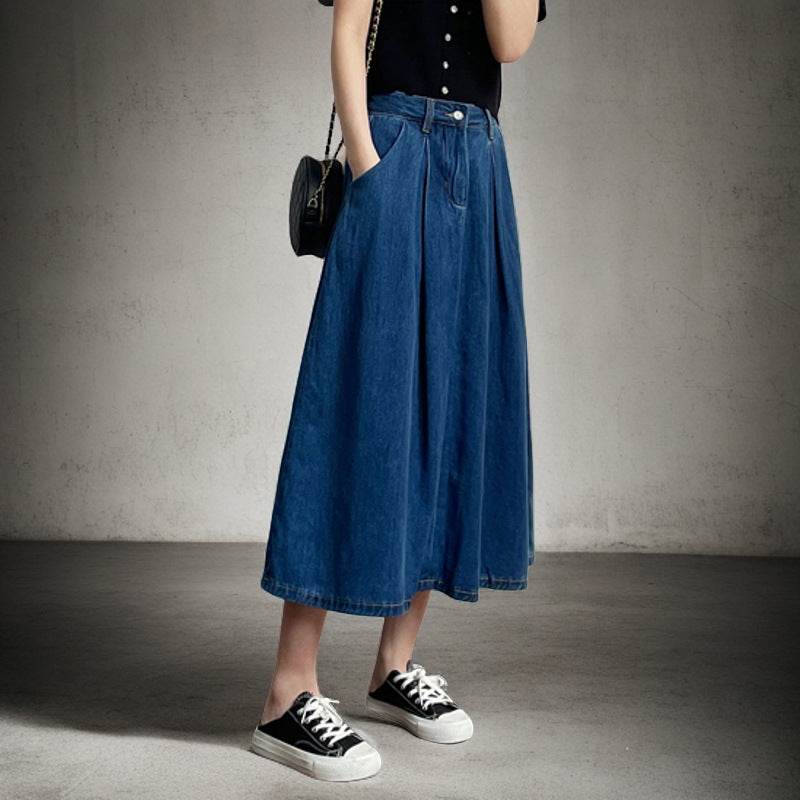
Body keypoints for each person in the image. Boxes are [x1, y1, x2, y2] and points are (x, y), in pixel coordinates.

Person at [250, 0, 546, 782]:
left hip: (477, 159)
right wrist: (368, 163)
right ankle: (287, 694)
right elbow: (350, 30)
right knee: (357, 404)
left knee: (449, 411)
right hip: (394, 147)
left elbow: (510, 41)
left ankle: (392, 667)